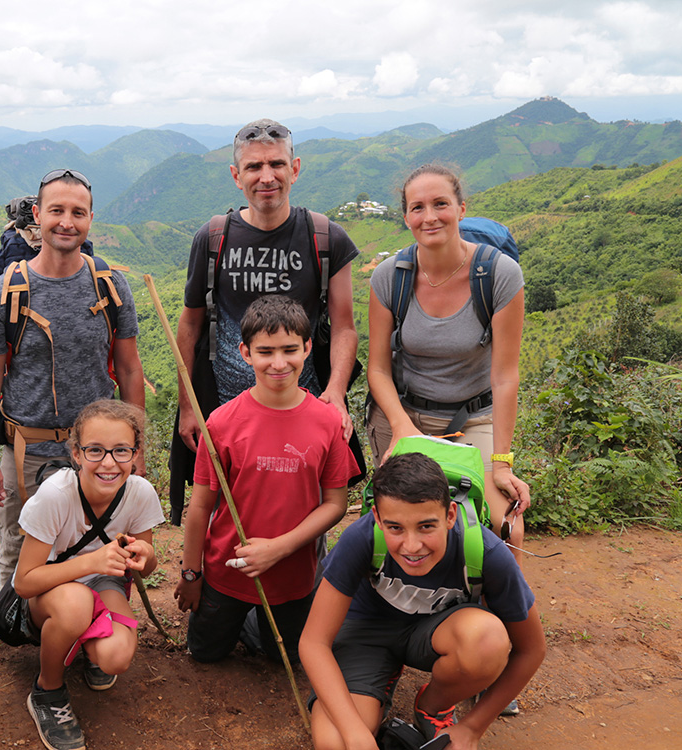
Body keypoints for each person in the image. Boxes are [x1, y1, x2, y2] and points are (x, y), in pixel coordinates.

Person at [299, 452, 545, 750]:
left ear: (450, 515)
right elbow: (314, 642)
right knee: (335, 743)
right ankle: (377, 681)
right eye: (395, 528)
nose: (412, 546)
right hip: (366, 633)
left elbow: (531, 649)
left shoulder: (486, 552)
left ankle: (433, 706)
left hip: (437, 634)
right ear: (376, 518)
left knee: (487, 639)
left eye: (426, 526)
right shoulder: (360, 539)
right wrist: (356, 734)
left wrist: (473, 728)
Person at [0, 169, 146, 589]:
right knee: (19, 546)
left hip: (98, 452)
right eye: (56, 211)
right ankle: (16, 634)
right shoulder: (7, 291)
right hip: (26, 448)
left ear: (90, 219)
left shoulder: (110, 286)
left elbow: (129, 369)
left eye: (77, 212)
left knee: (96, 541)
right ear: (37, 214)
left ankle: (87, 633)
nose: (67, 221)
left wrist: (134, 448)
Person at [174, 295, 357, 663]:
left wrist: (280, 547)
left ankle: (257, 626)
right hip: (226, 569)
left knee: (286, 659)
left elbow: (336, 504)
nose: (278, 363)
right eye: (265, 351)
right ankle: (240, 622)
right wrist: (192, 574)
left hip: (293, 576)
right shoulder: (223, 423)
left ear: (307, 348)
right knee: (204, 653)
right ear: (245, 352)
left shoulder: (326, 423)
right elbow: (200, 506)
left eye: (290, 350)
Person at [366, 163, 530, 561]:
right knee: (396, 519)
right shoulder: (390, 277)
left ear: (460, 208)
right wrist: (404, 430)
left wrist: (502, 463)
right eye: (417, 207)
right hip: (404, 413)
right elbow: (378, 368)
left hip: (473, 416)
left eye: (440, 204)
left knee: (502, 521)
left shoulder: (499, 275)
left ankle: (503, 614)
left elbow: (506, 376)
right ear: (406, 217)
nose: (430, 216)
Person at [175, 118, 361, 447]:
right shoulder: (213, 238)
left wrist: (336, 390)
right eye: (253, 167)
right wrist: (189, 406)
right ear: (236, 176)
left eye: (277, 164)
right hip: (227, 415)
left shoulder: (327, 238)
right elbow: (190, 324)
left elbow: (344, 327)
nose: (266, 177)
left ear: (295, 169)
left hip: (306, 410)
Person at [13, 399, 163, 750]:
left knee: (115, 657)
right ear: (76, 454)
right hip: (50, 590)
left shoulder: (140, 493)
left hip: (103, 583)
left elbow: (146, 567)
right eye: (95, 450)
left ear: (135, 453)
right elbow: (24, 582)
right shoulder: (55, 496)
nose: (109, 463)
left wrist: (148, 555)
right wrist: (91, 563)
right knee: (76, 603)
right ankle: (47, 691)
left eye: (121, 451)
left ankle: (87, 647)